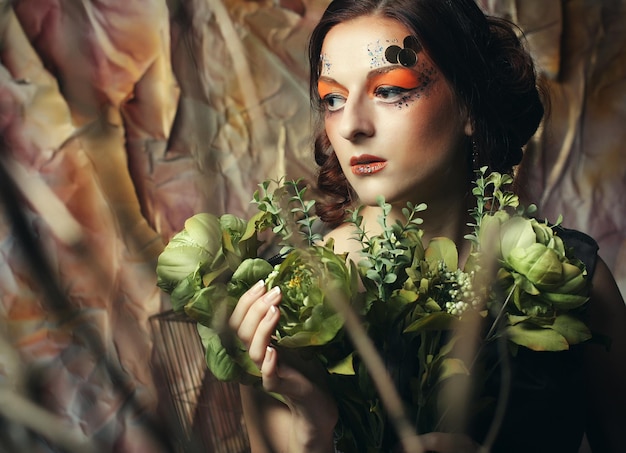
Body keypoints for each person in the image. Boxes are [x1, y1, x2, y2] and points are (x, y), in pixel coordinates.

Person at [228, 1, 626, 452]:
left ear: (471, 107)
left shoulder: (571, 280)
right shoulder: (282, 304)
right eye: (333, 98)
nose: (353, 125)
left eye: (390, 90)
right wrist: (310, 433)